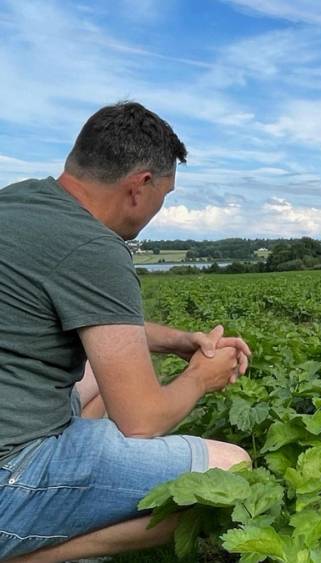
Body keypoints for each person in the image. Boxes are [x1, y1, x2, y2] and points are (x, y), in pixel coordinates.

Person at [0, 102, 252, 562]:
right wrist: (201, 377)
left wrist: (179, 340)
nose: (160, 207)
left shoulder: (19, 203)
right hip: (8, 474)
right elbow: (142, 422)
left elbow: (99, 324)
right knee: (229, 474)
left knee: (95, 383)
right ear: (140, 185)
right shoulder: (93, 246)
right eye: (165, 194)